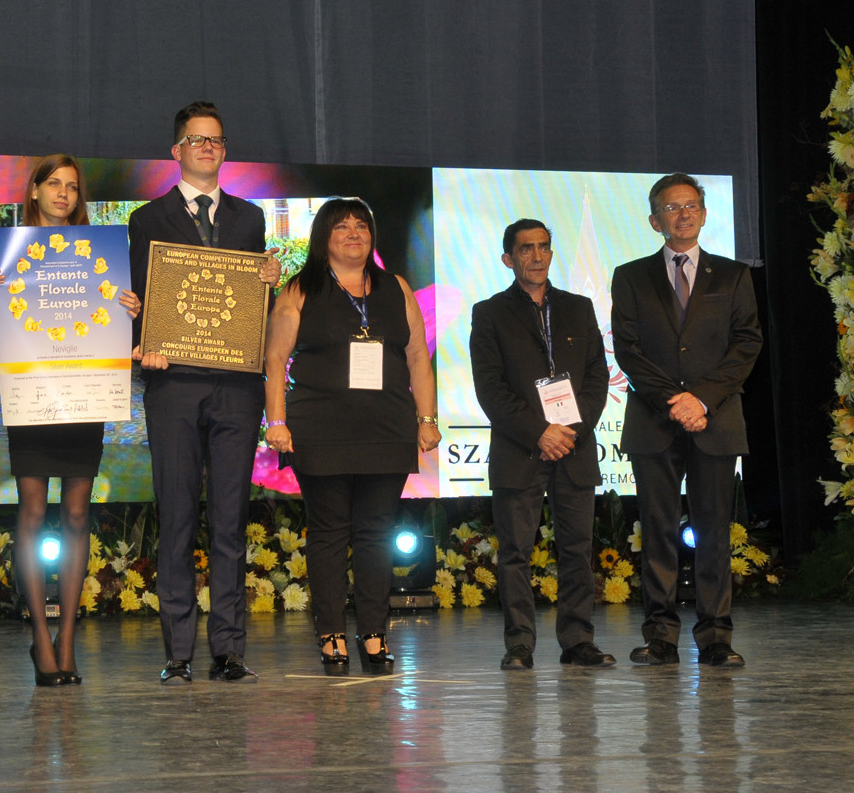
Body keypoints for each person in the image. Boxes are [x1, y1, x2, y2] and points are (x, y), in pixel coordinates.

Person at [128, 102, 281, 684]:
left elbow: (249, 302)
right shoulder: (147, 219)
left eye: (215, 140)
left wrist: (268, 281)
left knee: (230, 519)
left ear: (223, 150)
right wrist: (144, 338)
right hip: (172, 384)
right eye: (196, 139)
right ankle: (178, 652)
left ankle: (229, 650)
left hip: (236, 387)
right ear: (177, 151)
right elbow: (137, 296)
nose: (207, 147)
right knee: (176, 516)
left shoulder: (250, 218)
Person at [262, 198, 439, 676]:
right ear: (324, 237)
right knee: (328, 533)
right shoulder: (301, 288)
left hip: (386, 428)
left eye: (362, 225)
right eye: (342, 227)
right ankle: (331, 634)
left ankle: (374, 632)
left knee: (376, 534)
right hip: (321, 430)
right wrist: (276, 421)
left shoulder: (395, 287)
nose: (354, 233)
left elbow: (417, 356)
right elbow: (275, 357)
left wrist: (427, 418)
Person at [0, 154, 141, 686]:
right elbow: (6, 320)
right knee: (32, 513)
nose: (63, 194)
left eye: (72, 187)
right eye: (53, 184)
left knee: (76, 514)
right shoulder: (10, 256)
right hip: (32, 396)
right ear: (34, 189)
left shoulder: (100, 253)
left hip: (82, 394)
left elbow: (111, 321)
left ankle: (67, 640)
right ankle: (39, 637)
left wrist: (128, 306)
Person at [610, 173, 762, 667]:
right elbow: (628, 349)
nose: (683, 214)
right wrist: (673, 401)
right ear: (655, 220)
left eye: (691, 205)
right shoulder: (631, 276)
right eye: (672, 207)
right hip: (654, 421)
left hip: (715, 421)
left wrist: (702, 400)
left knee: (714, 531)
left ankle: (716, 636)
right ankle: (660, 636)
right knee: (657, 531)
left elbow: (747, 343)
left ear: (704, 213)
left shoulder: (733, 275)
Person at [470, 219, 614, 671]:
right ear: (508, 258)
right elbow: (490, 389)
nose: (537, 256)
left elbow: (598, 377)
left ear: (552, 253)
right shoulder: (490, 313)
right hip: (521, 449)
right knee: (515, 553)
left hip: (574, 447)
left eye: (544, 247)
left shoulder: (579, 307)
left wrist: (571, 431)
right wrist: (539, 432)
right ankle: (519, 645)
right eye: (526, 248)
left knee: (577, 550)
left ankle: (578, 641)